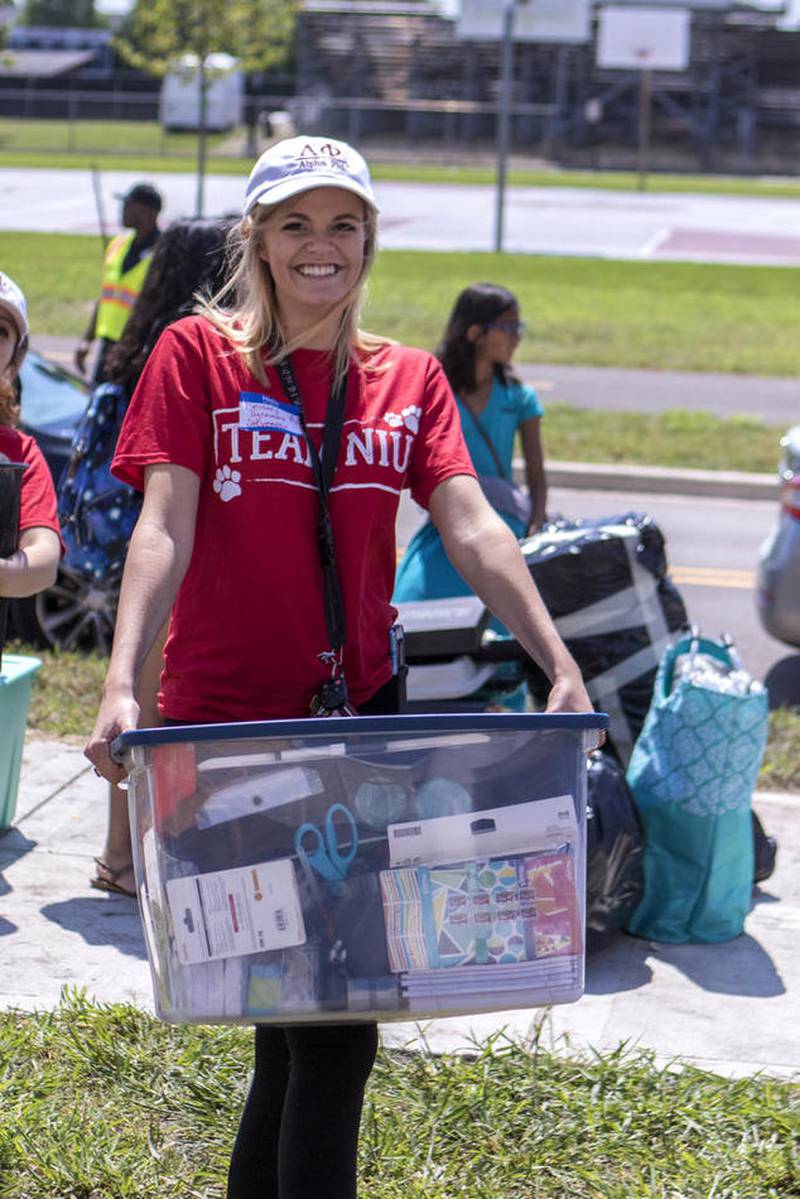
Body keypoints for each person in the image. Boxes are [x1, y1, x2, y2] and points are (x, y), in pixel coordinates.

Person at [85, 135, 593, 1199]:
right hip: (227, 741)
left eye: (343, 225)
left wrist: (556, 659)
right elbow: (161, 527)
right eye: (296, 225)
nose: (322, 246)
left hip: (360, 735)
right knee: (321, 1025)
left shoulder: (405, 378)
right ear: (259, 242)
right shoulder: (198, 355)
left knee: (308, 1022)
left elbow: (473, 526)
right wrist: (121, 677)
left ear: (366, 240)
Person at [64, 218, 233, 898]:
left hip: (138, 548)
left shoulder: (135, 350)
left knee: (136, 702)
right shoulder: (192, 354)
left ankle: (120, 852)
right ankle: (135, 857)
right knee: (154, 708)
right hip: (175, 552)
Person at [394, 282, 547, 608]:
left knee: (504, 628)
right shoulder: (435, 392)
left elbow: (536, 474)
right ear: (475, 332)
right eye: (507, 326)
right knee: (410, 605)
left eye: (518, 326)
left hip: (503, 527)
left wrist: (537, 522)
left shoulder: (519, 398)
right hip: (449, 525)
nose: (516, 336)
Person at [0, 271, 61, 602]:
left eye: (1, 331)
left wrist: (8, 573)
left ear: (14, 359)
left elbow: (44, 562)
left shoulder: (19, 453)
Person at [75, 182, 163, 385]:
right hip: (108, 345)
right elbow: (105, 296)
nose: (122, 210)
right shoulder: (118, 245)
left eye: (128, 205)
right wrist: (88, 339)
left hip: (138, 350)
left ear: (148, 211)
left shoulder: (162, 252)